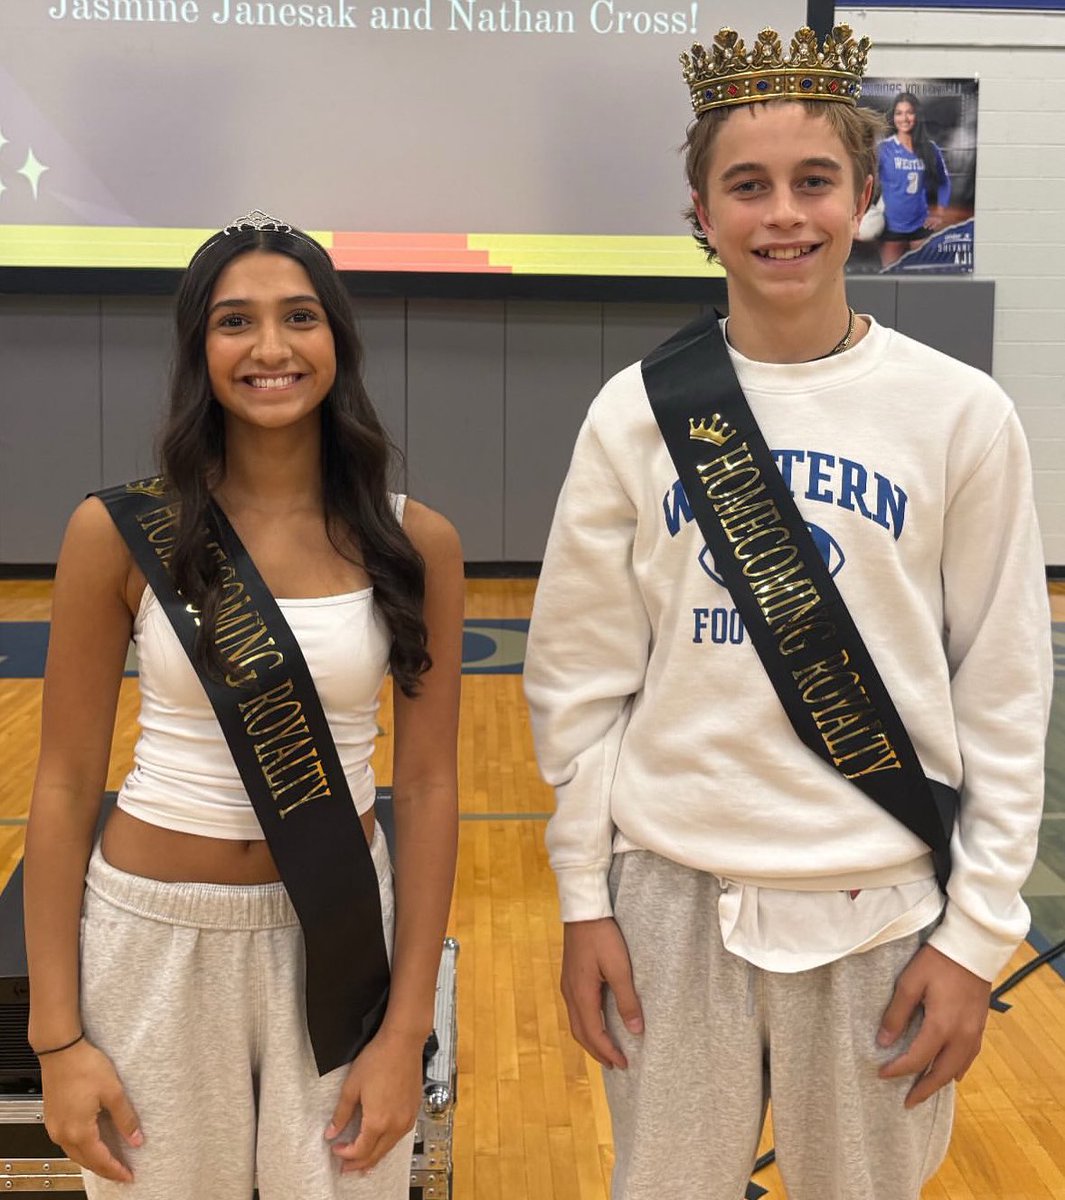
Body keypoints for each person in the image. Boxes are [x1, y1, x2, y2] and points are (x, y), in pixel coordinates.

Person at [524, 24, 1051, 1200]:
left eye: (814, 182)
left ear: (864, 199)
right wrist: (582, 900)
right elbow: (577, 687)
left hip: (882, 907)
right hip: (667, 899)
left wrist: (976, 938)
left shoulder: (959, 415)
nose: (783, 216)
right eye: (747, 186)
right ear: (701, 214)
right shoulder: (634, 414)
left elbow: (1006, 696)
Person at [23, 212, 463, 1199]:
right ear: (200, 350)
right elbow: (62, 786)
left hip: (339, 934)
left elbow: (431, 788)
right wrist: (55, 1039)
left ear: (337, 341)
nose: (271, 347)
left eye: (299, 316)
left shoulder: (415, 541)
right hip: (154, 939)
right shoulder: (116, 532)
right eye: (235, 322)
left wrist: (405, 1031)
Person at [878, 90, 952, 268]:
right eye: (899, 113)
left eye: (909, 112)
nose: (904, 118)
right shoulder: (884, 149)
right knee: (889, 276)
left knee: (921, 277)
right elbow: (864, 181)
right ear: (893, 117)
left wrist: (939, 213)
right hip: (890, 227)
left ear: (917, 115)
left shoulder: (930, 148)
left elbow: (944, 182)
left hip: (920, 225)